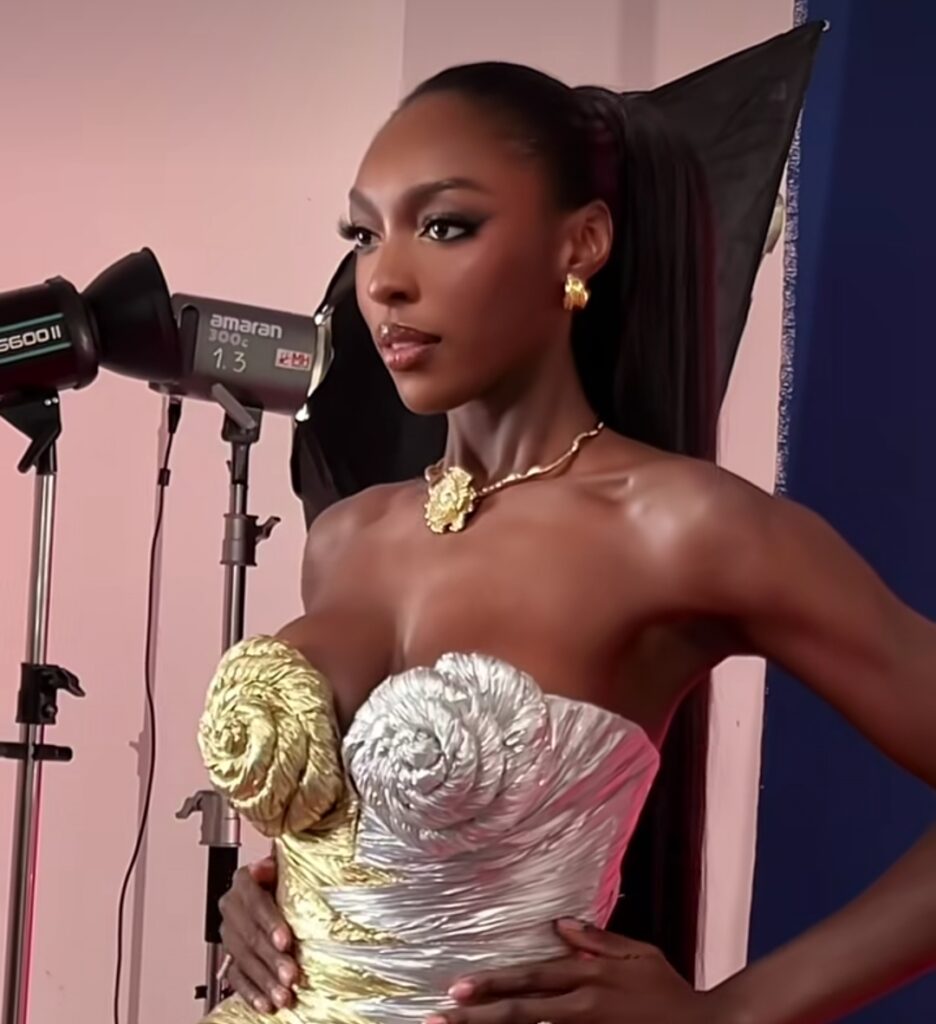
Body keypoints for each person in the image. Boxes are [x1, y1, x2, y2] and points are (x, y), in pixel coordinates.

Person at [202, 61, 936, 1023]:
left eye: (445, 226)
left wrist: (732, 1014)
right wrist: (264, 894)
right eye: (364, 234)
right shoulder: (345, 537)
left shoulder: (680, 528)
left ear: (581, 243)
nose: (383, 281)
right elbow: (369, 849)